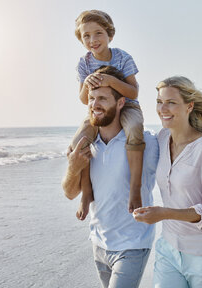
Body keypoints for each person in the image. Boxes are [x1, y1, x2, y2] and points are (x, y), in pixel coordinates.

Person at [62, 66, 158, 288]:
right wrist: (73, 167)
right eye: (92, 98)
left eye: (103, 98)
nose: (95, 104)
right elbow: (68, 193)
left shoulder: (147, 142)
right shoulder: (86, 145)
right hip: (99, 244)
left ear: (121, 103)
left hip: (132, 244)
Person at [133, 76, 202, 288]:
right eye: (160, 102)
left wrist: (164, 213)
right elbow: (129, 141)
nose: (163, 108)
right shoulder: (161, 138)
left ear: (189, 106)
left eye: (171, 102)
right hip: (168, 249)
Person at [71, 10, 145, 220]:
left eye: (98, 33)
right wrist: (87, 83)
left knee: (134, 130)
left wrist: (111, 81)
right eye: (86, 35)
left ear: (109, 35)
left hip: (128, 106)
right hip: (97, 109)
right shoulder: (84, 63)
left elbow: (133, 92)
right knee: (80, 142)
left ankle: (135, 188)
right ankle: (86, 193)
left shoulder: (123, 57)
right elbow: (84, 99)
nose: (92, 40)